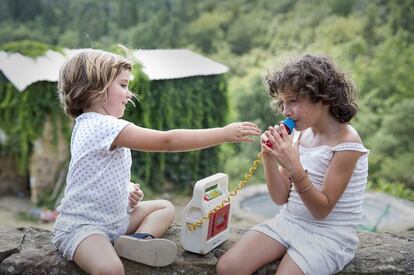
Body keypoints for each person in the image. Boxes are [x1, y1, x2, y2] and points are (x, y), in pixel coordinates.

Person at [53, 49, 261, 275]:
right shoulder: (102, 126)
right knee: (111, 270)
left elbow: (96, 174)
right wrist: (223, 133)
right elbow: (167, 141)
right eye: (123, 85)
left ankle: (137, 242)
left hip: (115, 221)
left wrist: (127, 189)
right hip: (85, 228)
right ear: (96, 89)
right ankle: (130, 244)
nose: (129, 94)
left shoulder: (92, 125)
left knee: (164, 208)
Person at [217, 54, 369, 275]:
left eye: (293, 101)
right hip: (290, 222)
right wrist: (268, 157)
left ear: (322, 97)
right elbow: (280, 198)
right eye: (283, 102)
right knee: (228, 267)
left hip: (328, 234)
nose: (286, 111)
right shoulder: (299, 135)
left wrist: (294, 168)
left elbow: (321, 210)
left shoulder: (347, 143)